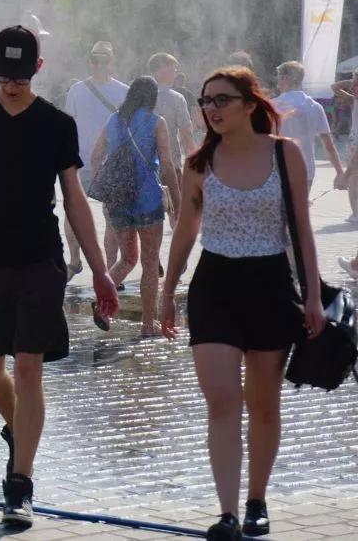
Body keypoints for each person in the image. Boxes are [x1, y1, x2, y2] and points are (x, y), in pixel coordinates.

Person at [0, 26, 119, 529]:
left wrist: (100, 270)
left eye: (19, 74)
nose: (10, 83)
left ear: (38, 68)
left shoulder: (56, 124)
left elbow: (74, 199)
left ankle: (20, 484)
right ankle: (20, 428)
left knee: (29, 366)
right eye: (2, 74)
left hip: (41, 261)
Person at [160, 67, 325, 540]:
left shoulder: (283, 153)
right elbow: (186, 233)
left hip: (271, 284)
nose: (211, 109)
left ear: (250, 105)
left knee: (263, 405)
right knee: (222, 401)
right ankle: (227, 513)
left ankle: (257, 500)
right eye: (205, 100)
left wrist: (312, 294)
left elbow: (302, 229)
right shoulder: (198, 163)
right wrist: (168, 293)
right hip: (215, 285)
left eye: (222, 100)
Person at [88, 76, 181, 336]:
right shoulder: (156, 122)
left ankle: (102, 304)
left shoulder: (113, 120)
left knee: (127, 259)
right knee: (150, 262)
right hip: (147, 199)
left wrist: (108, 188)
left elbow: (96, 157)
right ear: (151, 97)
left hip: (118, 199)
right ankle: (147, 325)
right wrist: (177, 200)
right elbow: (167, 164)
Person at [61, 41, 128, 280]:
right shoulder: (77, 90)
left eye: (104, 60)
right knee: (72, 214)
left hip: (111, 165)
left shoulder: (123, 91)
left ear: (111, 63)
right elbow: (67, 125)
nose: (99, 64)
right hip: (80, 163)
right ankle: (75, 260)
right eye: (95, 59)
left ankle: (110, 268)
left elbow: (127, 129)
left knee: (112, 217)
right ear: (89, 62)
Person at [273, 61, 345, 191]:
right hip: (306, 168)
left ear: (285, 78)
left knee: (281, 209)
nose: (277, 81)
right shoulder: (315, 107)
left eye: (278, 77)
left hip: (279, 168)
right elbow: (329, 146)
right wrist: (340, 172)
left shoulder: (272, 106)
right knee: (301, 209)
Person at [147, 53, 196, 170]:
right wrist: (195, 163)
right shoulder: (176, 99)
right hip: (170, 166)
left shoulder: (137, 97)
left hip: (143, 167)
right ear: (160, 72)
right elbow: (186, 135)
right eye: (173, 70)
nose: (175, 75)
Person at [330, 70, 358, 223]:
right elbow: (334, 87)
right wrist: (351, 81)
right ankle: (355, 212)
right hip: (353, 142)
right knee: (354, 179)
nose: (354, 87)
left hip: (356, 144)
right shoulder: (354, 100)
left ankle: (356, 214)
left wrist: (344, 176)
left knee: (353, 178)